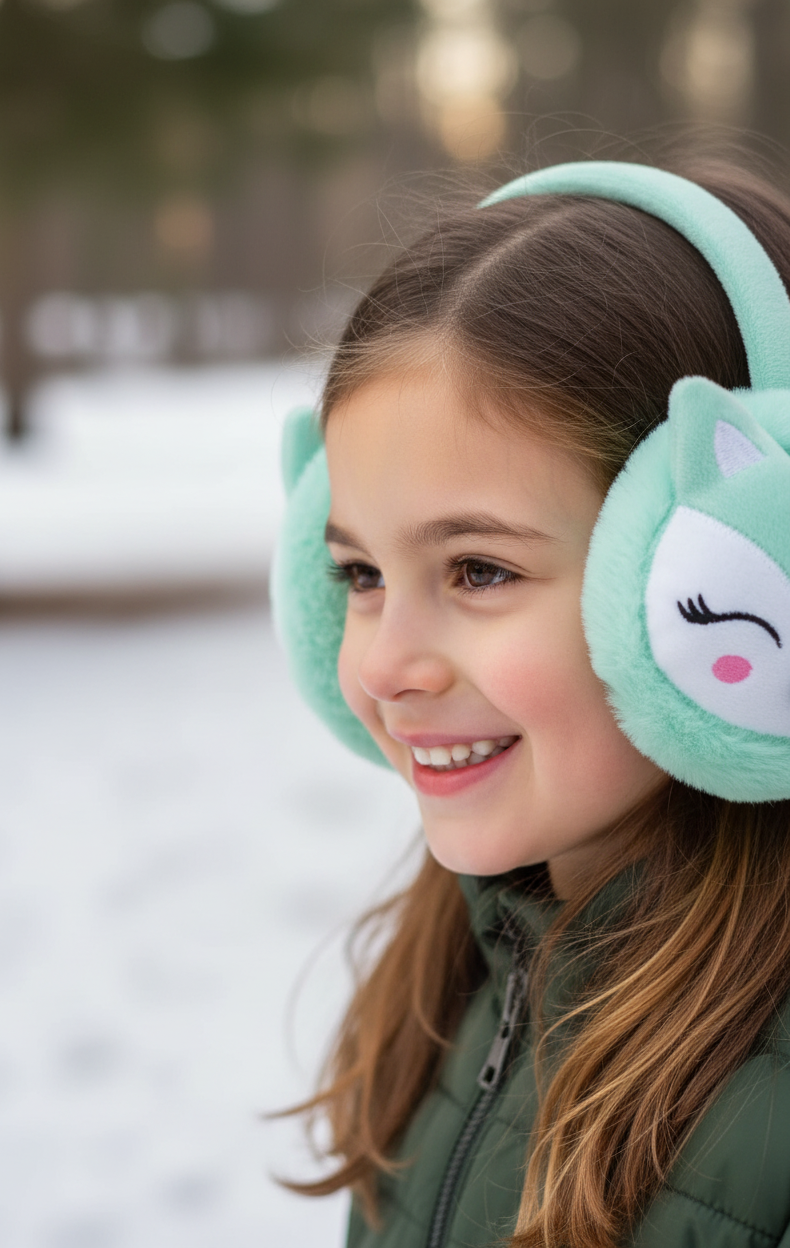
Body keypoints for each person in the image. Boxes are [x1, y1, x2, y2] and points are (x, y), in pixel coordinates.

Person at [272, 152, 790, 1248]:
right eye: (359, 576)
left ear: (732, 561)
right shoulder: (459, 972)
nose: (384, 666)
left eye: (478, 571)